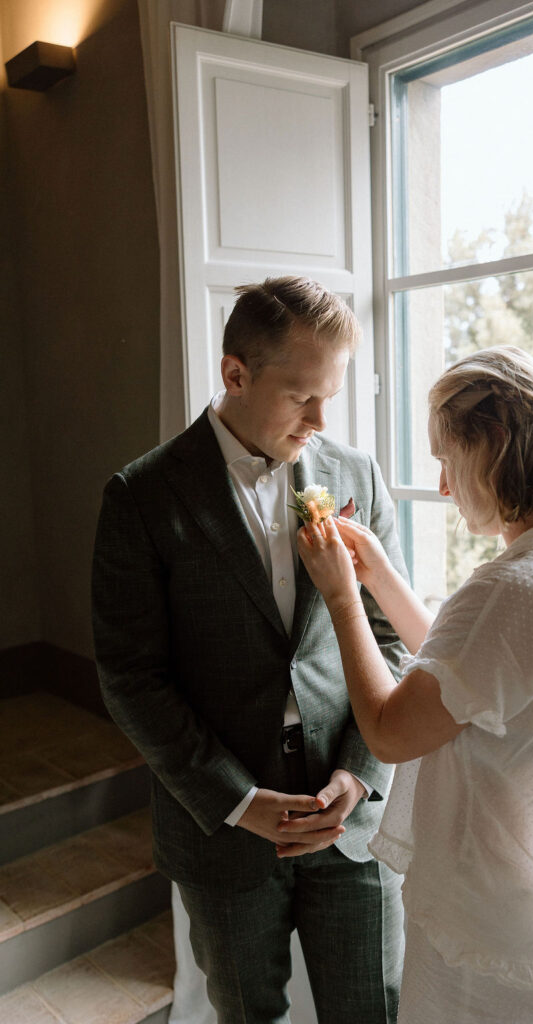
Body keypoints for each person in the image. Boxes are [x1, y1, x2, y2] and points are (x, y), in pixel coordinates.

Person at [290, 346, 533, 1024]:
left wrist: (340, 598)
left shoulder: (514, 588)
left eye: (446, 460)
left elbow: (392, 731)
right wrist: (381, 577)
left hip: (491, 913)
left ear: (495, 446)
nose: (445, 487)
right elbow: (464, 682)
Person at [91, 276, 407, 1024]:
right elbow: (133, 678)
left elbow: (389, 639)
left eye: (331, 395)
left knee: (372, 1011)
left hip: (351, 821)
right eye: (302, 396)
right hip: (221, 836)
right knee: (245, 1014)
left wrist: (359, 775)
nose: (321, 419)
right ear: (236, 373)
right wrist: (237, 801)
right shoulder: (141, 495)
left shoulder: (353, 474)